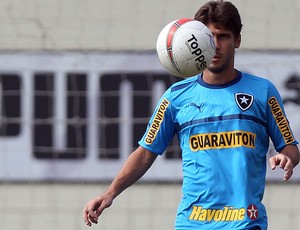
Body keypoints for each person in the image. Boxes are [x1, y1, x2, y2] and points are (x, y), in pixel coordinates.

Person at [83, 0, 300, 229]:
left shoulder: (263, 91)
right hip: (192, 222)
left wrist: (286, 157)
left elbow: (290, 147)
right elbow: (145, 153)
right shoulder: (175, 97)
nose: (216, 45)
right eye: (209, 36)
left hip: (245, 222)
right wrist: (110, 194)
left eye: (223, 36)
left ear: (237, 40)